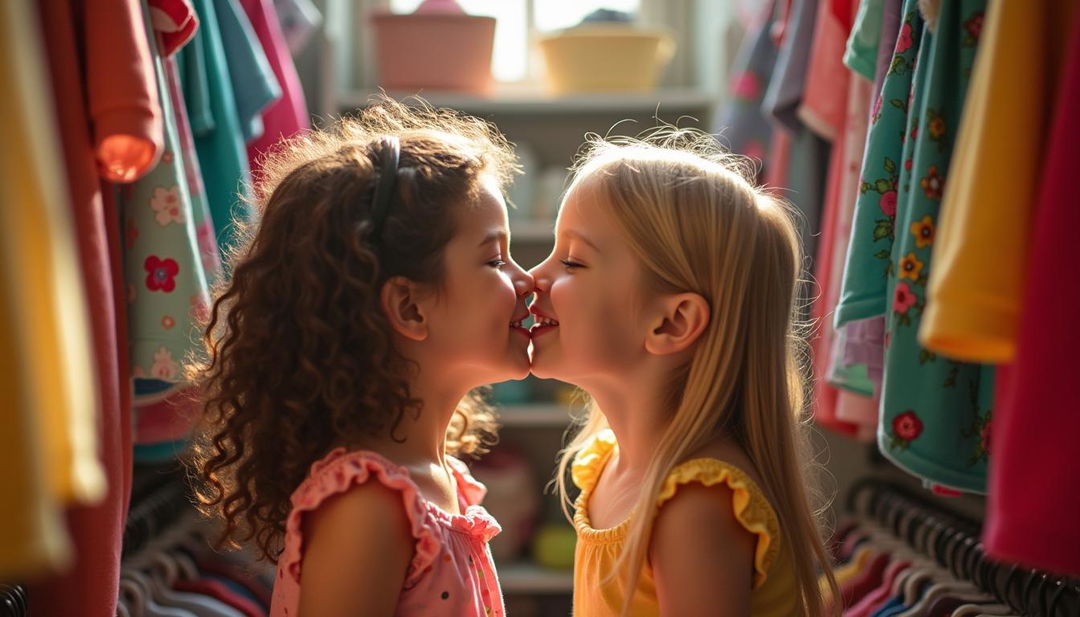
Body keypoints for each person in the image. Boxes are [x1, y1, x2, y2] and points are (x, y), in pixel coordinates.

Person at [190, 99, 534, 617]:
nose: (526, 279)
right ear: (409, 306)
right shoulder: (368, 507)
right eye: (494, 258)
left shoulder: (434, 480)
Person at [529, 131, 840, 617]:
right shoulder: (612, 464)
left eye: (572, 260)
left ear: (671, 322)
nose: (534, 278)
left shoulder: (694, 503)